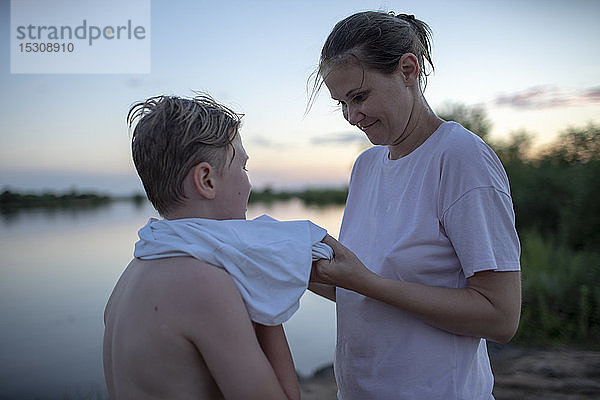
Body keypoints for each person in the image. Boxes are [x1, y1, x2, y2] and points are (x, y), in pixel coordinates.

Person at [309, 11, 522, 400]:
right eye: (341, 102)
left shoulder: (460, 158)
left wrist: (365, 281)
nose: (352, 117)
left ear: (408, 70)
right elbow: (367, 291)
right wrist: (310, 274)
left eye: (359, 96)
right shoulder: (366, 166)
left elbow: (501, 316)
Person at [103, 94, 301, 400]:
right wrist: (263, 283)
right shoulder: (202, 283)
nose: (249, 184)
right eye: (244, 168)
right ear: (206, 180)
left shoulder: (135, 270)